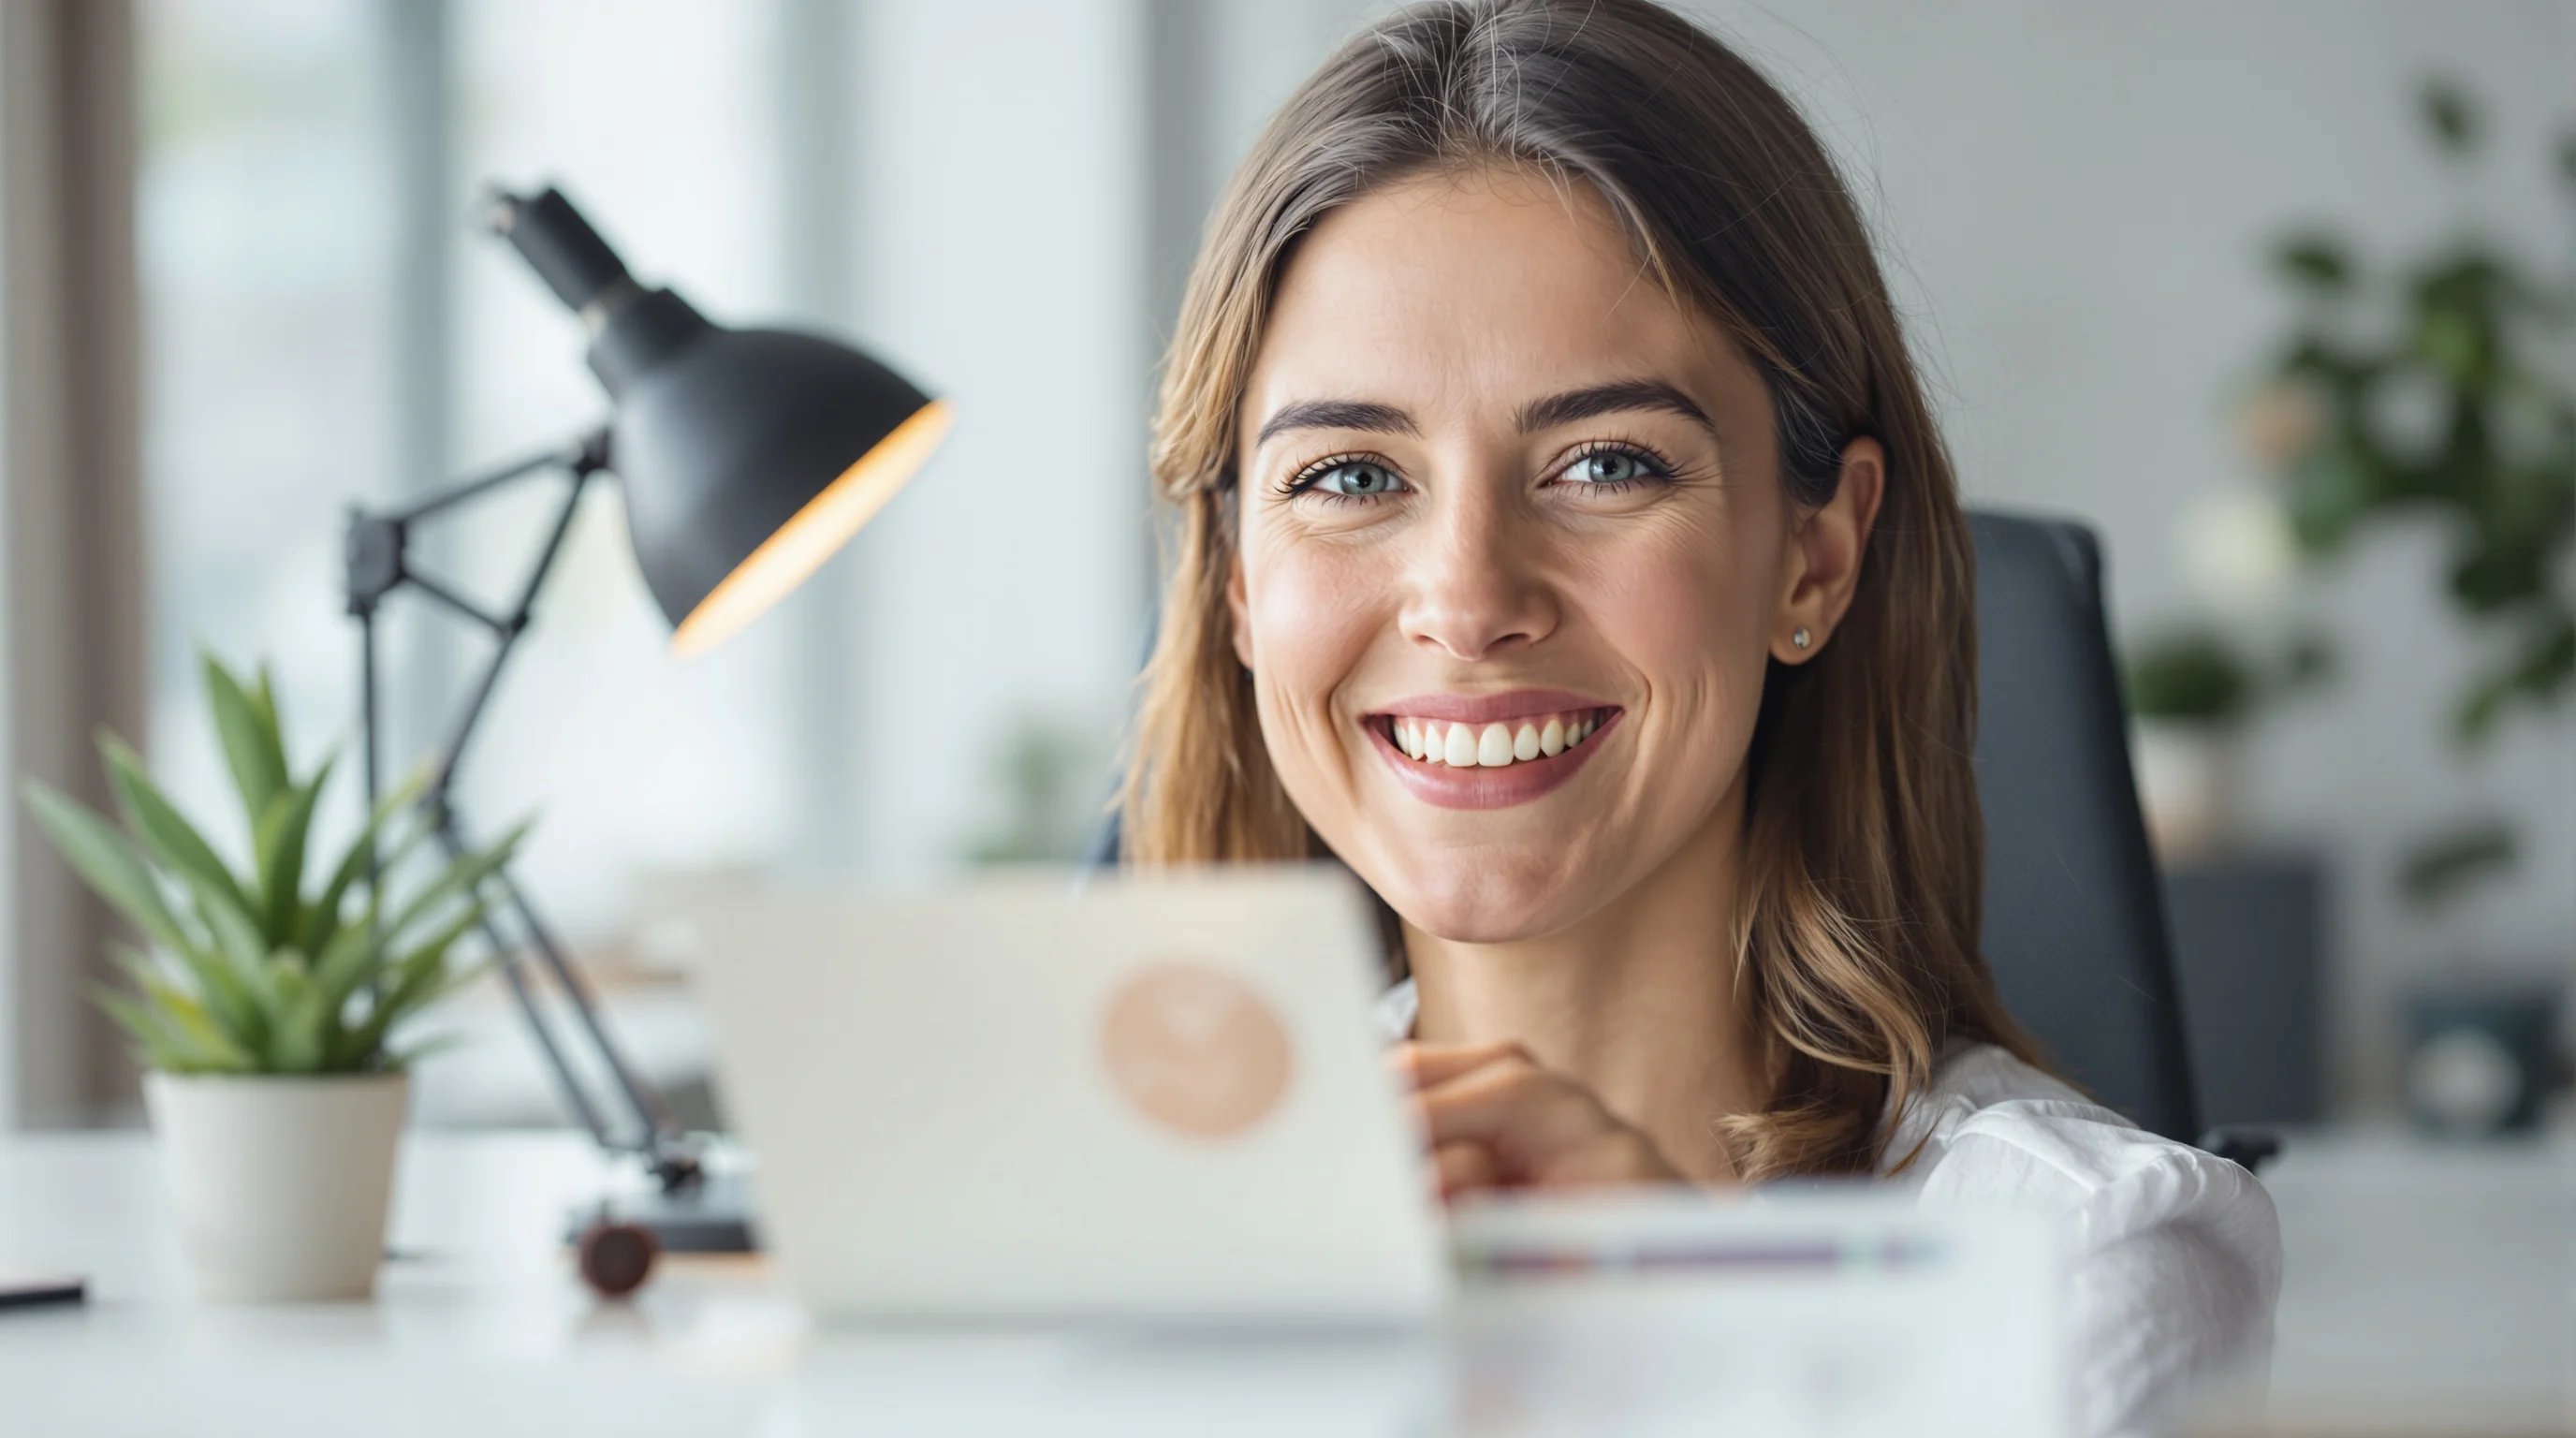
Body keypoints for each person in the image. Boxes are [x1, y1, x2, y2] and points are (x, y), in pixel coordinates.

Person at [1117, 1, 2278, 1432]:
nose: (1468, 599)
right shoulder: (1146, 1237)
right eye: (1350, 478)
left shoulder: (2080, 1272)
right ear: (1237, 585)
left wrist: (1711, 1350)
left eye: (1605, 463)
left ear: (1816, 557)